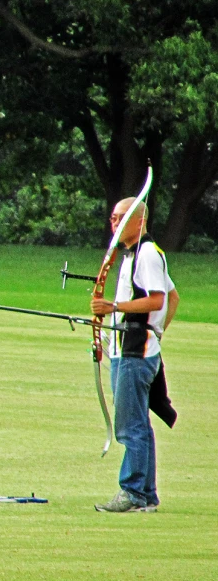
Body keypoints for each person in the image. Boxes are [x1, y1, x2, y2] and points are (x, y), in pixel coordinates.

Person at [90, 197, 180, 513]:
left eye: (120, 218)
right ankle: (146, 494)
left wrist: (115, 309)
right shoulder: (134, 255)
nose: (113, 224)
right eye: (112, 218)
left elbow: (159, 301)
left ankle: (134, 493)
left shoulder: (147, 255)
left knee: (130, 426)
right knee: (137, 422)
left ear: (138, 221)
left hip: (134, 352)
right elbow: (173, 296)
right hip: (130, 348)